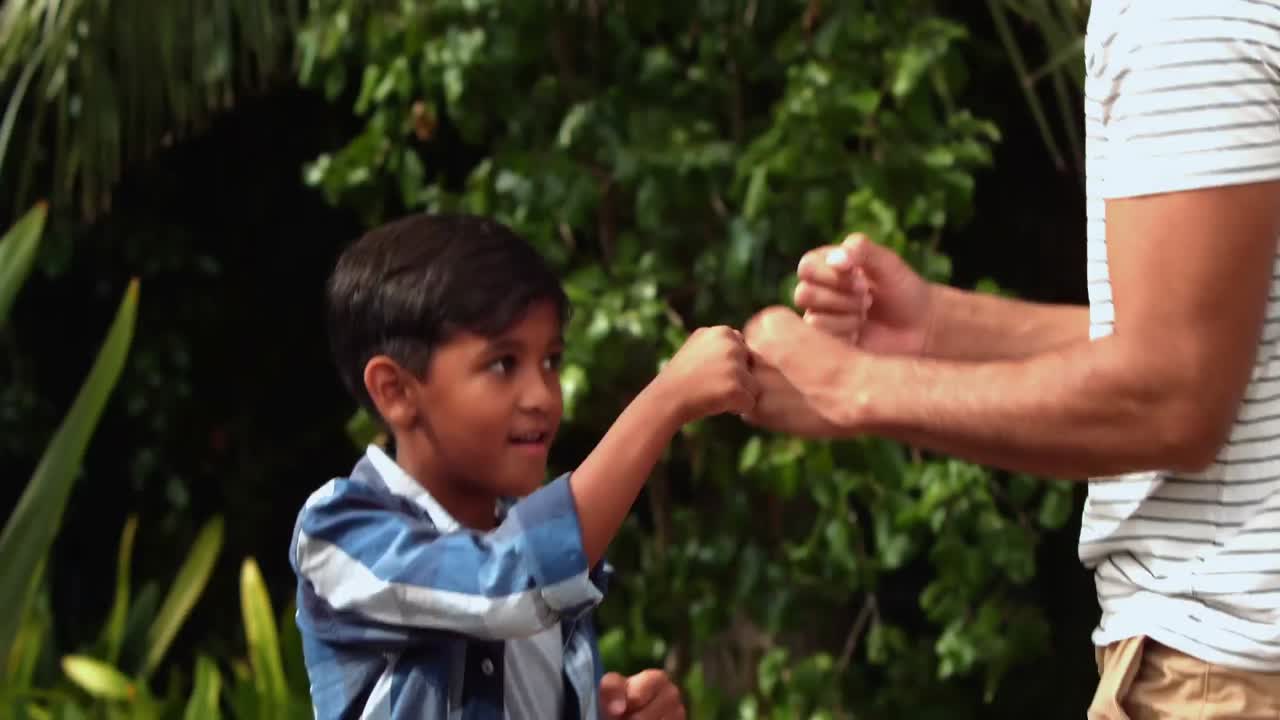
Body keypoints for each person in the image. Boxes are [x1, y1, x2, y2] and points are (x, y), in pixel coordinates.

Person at [743, 2, 1280, 717]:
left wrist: (855, 387)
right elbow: (1208, 339)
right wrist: (940, 331)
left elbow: (1174, 393)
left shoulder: (1186, 19)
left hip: (1233, 670)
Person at [290, 214, 757, 719]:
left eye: (551, 361)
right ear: (396, 391)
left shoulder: (538, 551)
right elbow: (503, 586)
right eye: (502, 364)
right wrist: (666, 400)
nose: (542, 396)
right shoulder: (340, 532)